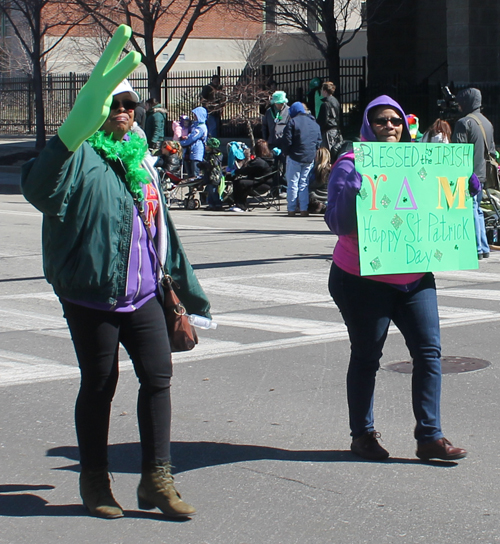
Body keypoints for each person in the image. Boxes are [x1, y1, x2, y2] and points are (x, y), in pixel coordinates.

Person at [20, 26, 211, 520]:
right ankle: (95, 479)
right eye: (114, 105)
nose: (123, 113)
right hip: (91, 294)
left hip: (144, 292)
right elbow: (39, 188)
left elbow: (162, 233)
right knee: (100, 383)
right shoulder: (80, 157)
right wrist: (68, 135)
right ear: (99, 111)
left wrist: (187, 291)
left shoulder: (142, 163)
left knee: (158, 376)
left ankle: (156, 480)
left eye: (130, 105)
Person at [325, 94, 470, 462]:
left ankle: (430, 437)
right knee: (366, 356)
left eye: (395, 121)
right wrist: (356, 187)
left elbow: (439, 205)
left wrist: (461, 188)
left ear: (405, 125)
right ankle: (363, 435)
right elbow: (338, 223)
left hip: (414, 276)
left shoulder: (421, 162)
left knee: (429, 353)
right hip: (362, 278)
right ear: (367, 126)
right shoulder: (350, 163)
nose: (389, 127)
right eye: (380, 121)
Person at [452, 87, 496, 260]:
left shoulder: (464, 123)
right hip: (482, 174)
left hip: (468, 174)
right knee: (477, 210)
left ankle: (477, 247)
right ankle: (483, 246)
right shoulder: (487, 122)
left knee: (471, 209)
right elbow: (491, 150)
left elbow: (458, 152)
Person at [282, 102, 322, 217]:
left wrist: (286, 153)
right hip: (309, 157)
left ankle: (292, 209)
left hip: (295, 156)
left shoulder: (292, 122)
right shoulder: (314, 123)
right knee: (304, 183)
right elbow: (318, 141)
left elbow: (287, 141)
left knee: (293, 183)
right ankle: (304, 209)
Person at [229, 139, 274, 212]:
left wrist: (236, 171)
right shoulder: (270, 159)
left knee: (239, 183)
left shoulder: (259, 161)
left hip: (260, 184)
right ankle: (238, 204)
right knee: (241, 182)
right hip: (267, 183)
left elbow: (246, 170)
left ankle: (241, 206)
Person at [316, 81, 343, 161]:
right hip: (336, 130)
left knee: (327, 154)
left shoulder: (325, 104)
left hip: (328, 132)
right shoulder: (336, 101)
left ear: (324, 91)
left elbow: (323, 120)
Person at [180, 106, 208, 178]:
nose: (194, 117)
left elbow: (192, 138)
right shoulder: (195, 125)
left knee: (195, 174)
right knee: (190, 174)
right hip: (190, 152)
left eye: (196, 115)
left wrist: (180, 143)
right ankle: (191, 188)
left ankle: (196, 188)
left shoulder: (201, 127)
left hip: (196, 152)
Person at [198, 137, 224, 210]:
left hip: (214, 175)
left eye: (207, 145)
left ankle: (218, 204)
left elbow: (213, 164)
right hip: (208, 175)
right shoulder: (208, 154)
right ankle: (211, 204)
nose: (206, 146)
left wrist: (204, 164)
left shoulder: (216, 154)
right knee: (209, 190)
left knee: (213, 191)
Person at [308, 146, 330, 214]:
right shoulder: (332, 168)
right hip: (328, 195)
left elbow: (311, 184)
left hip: (316, 195)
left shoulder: (315, 170)